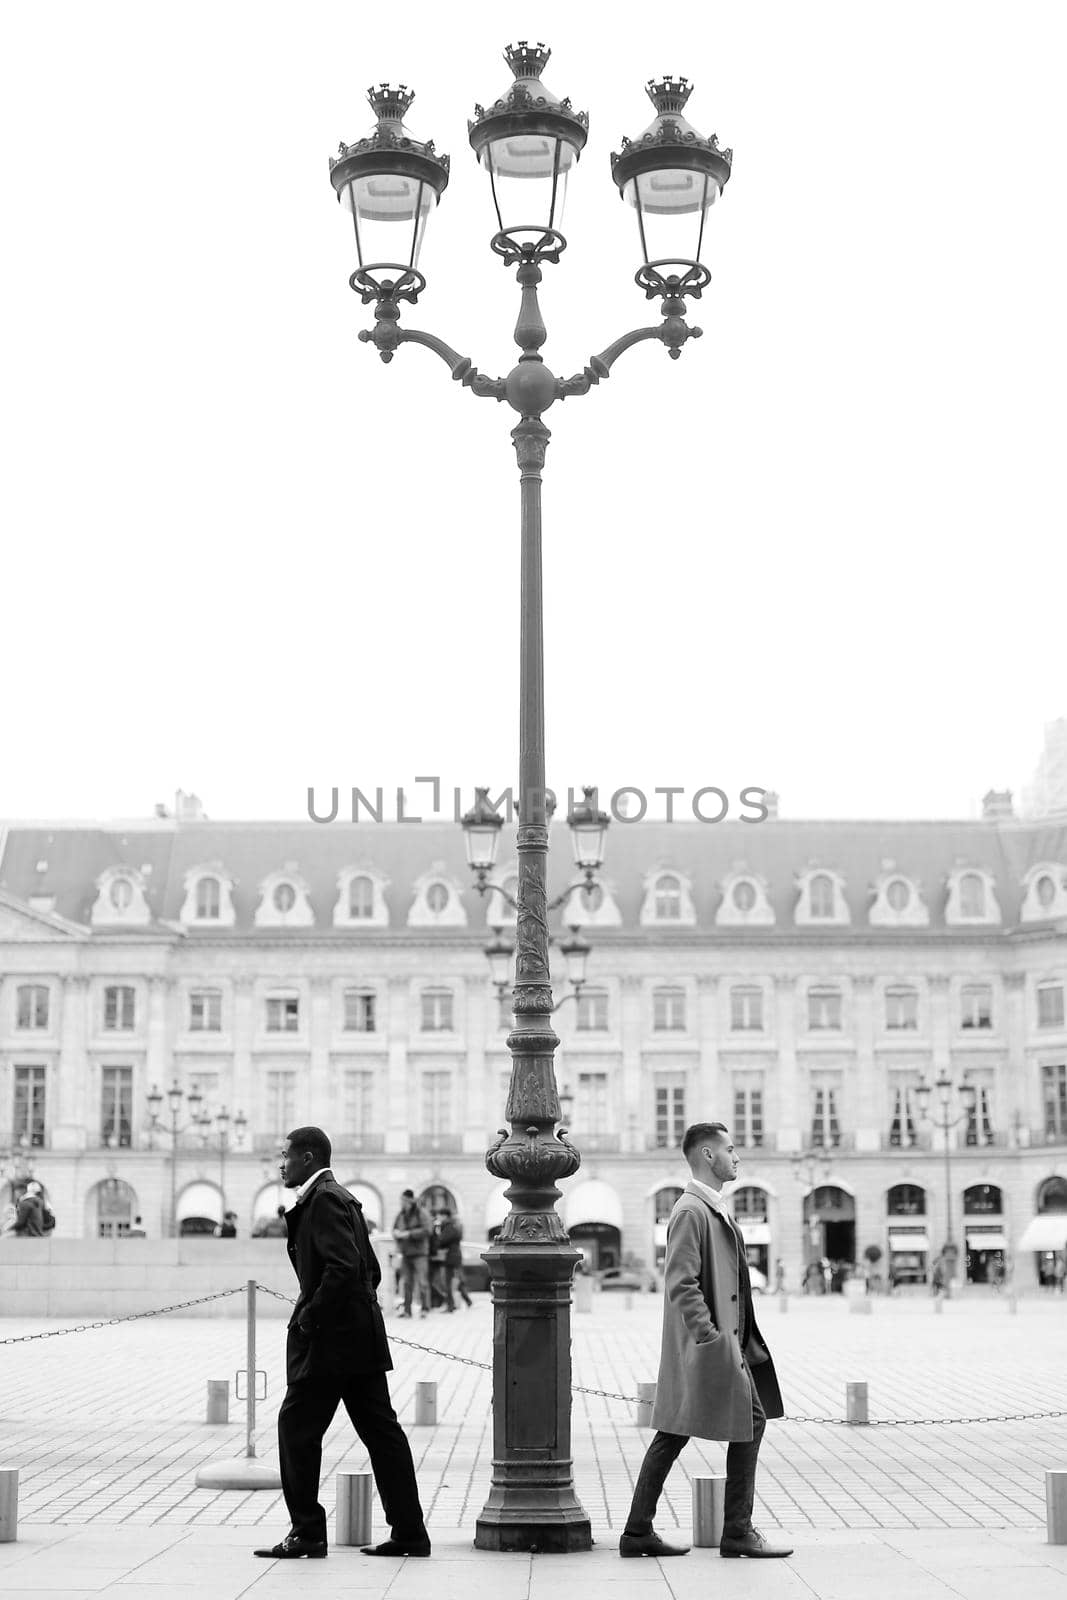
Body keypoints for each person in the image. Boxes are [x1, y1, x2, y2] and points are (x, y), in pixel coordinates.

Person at [254, 1126, 429, 1562]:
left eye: (287, 1155)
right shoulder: (340, 1197)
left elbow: (346, 1267)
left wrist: (311, 1319)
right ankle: (409, 1532)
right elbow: (371, 1269)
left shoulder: (325, 1200)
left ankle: (308, 1533)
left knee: (296, 1429)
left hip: (332, 1343)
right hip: (356, 1338)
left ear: (308, 1157)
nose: (281, 1163)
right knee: (381, 1433)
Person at [620, 1121, 791, 1562]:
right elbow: (681, 1282)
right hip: (711, 1347)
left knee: (677, 1431)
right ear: (708, 1156)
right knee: (743, 1423)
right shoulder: (691, 1211)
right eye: (730, 1150)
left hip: (724, 1344)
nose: (738, 1157)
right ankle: (736, 1531)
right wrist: (710, 1337)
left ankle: (639, 1530)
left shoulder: (710, 1207)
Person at [392, 1189, 432, 1319]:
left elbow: (428, 1230)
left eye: (402, 1200)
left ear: (408, 1200)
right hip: (406, 1253)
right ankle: (407, 1310)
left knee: (422, 1282)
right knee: (406, 1283)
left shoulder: (421, 1213)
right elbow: (395, 1228)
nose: (401, 1203)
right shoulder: (401, 1214)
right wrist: (396, 1234)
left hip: (420, 1253)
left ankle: (425, 1309)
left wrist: (409, 1234)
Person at [431, 1206, 471, 1312]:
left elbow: (441, 1240)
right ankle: (466, 1300)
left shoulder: (449, 1227)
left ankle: (450, 1306)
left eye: (439, 1215)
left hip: (451, 1258)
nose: (437, 1218)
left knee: (448, 1282)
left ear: (445, 1216)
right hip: (453, 1257)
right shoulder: (452, 1225)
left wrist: (435, 1230)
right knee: (456, 1280)